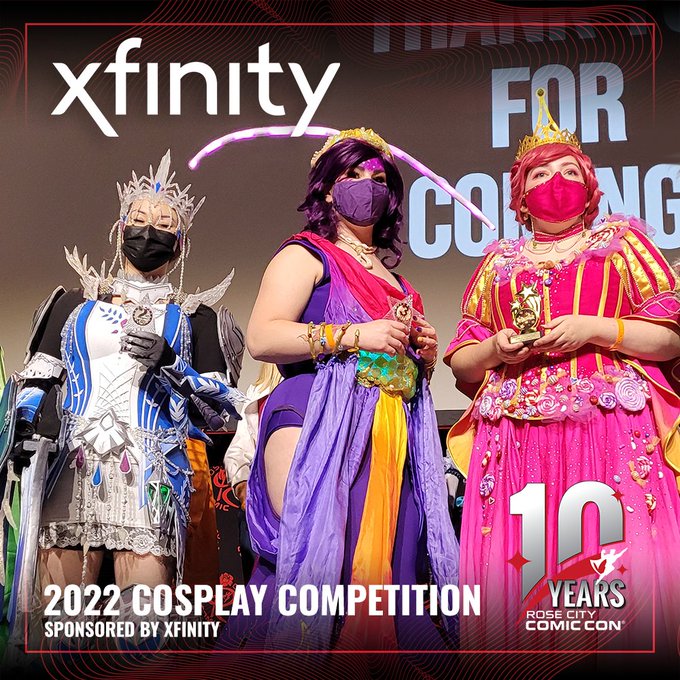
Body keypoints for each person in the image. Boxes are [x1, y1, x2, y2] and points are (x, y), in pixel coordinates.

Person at [445, 90, 680, 657]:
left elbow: (670, 338)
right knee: (525, 580)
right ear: (520, 196)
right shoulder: (498, 263)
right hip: (515, 438)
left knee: (614, 574)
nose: (556, 180)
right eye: (540, 173)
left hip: (607, 431)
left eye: (570, 171)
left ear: (591, 188)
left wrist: (596, 329)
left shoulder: (623, 244)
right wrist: (496, 348)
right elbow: (461, 361)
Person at [4, 151, 244, 649]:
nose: (148, 231)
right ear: (119, 230)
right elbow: (37, 378)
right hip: (70, 468)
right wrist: (25, 422)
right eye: (138, 220)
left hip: (150, 477)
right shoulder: (70, 304)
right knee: (59, 630)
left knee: (142, 629)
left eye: (164, 225)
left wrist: (171, 363)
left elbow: (222, 407)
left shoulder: (196, 319)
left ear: (180, 244)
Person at [232, 128, 459, 651]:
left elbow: (390, 369)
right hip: (317, 419)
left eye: (377, 178)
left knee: (389, 572)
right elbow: (263, 337)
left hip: (389, 437)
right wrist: (356, 334)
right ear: (328, 191)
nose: (366, 186)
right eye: (352, 174)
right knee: (317, 560)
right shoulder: (306, 255)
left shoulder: (400, 284)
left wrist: (420, 358)